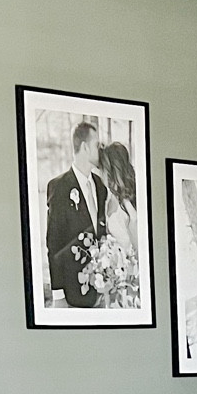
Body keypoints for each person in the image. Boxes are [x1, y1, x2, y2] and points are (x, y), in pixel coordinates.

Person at [45, 121, 109, 306]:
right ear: (86, 147)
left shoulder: (100, 186)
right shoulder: (59, 187)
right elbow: (54, 244)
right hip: (73, 292)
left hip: (102, 291)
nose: (100, 150)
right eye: (97, 145)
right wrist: (58, 296)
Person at [100, 141, 137, 254]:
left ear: (110, 172)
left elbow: (137, 248)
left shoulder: (127, 205)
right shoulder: (108, 198)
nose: (100, 173)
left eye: (102, 169)